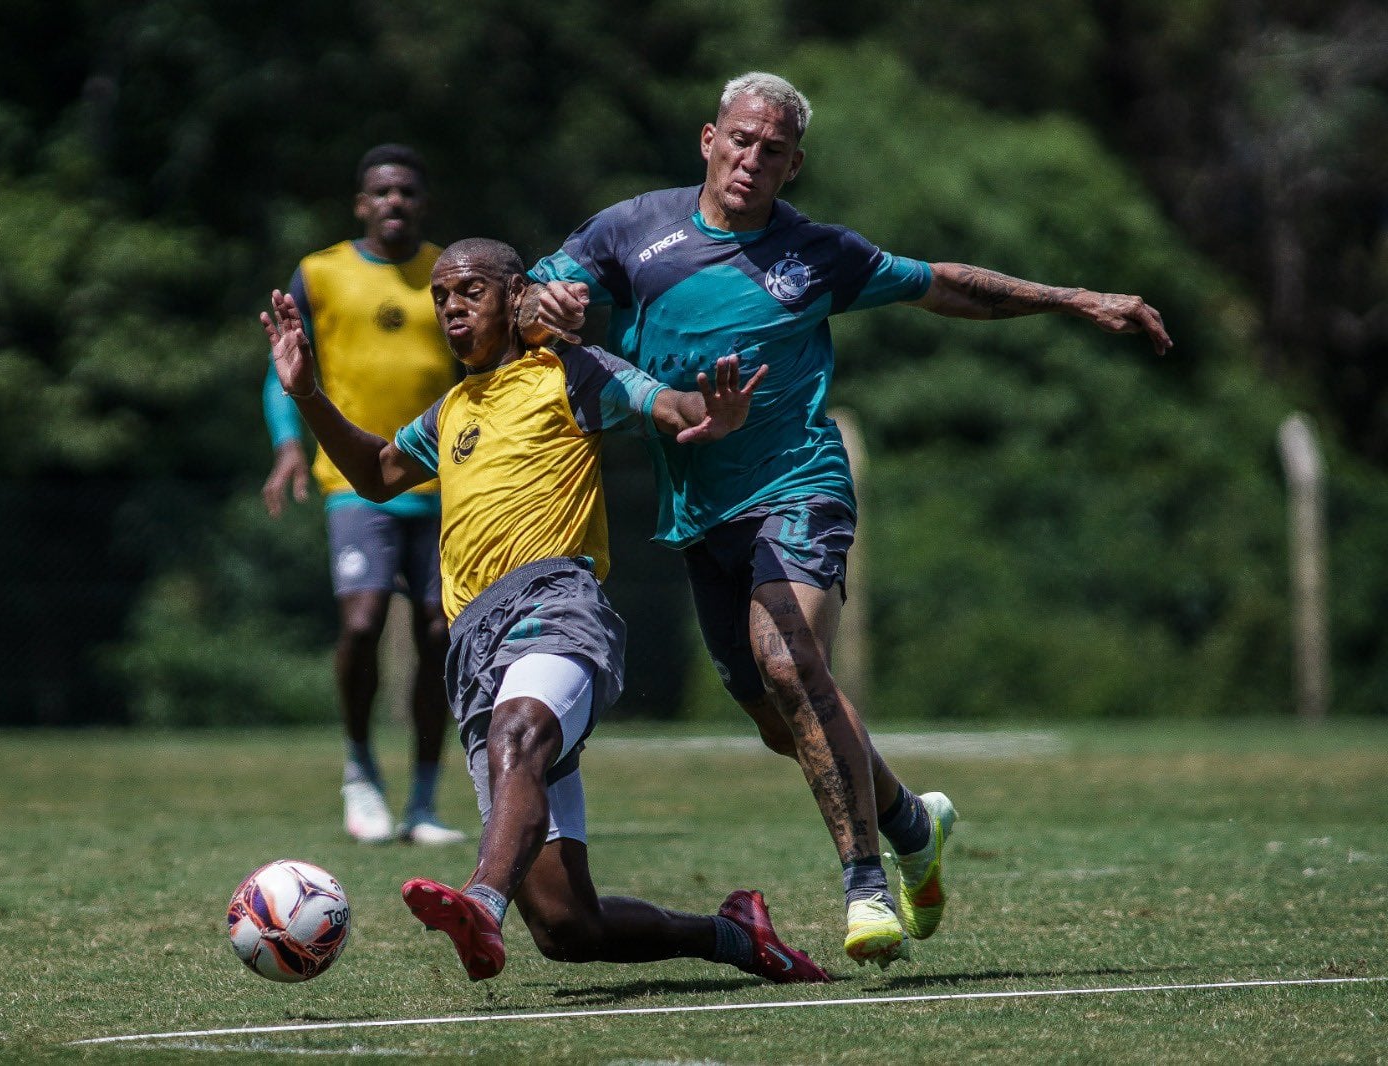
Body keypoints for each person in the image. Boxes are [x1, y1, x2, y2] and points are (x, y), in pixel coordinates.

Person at [523, 71, 1175, 967]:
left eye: (775, 151)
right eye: (741, 141)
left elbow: (942, 284)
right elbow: (525, 298)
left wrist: (1074, 299)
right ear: (708, 139)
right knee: (772, 717)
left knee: (791, 661)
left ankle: (867, 890)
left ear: (796, 166)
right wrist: (544, 304)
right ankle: (912, 820)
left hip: (800, 486)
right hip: (700, 513)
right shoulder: (630, 229)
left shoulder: (817, 254)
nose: (753, 160)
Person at [264, 237, 828, 985]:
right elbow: (373, 474)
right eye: (440, 298)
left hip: (555, 603)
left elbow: (663, 403)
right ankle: (733, 936)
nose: (452, 310)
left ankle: (481, 902)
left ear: (516, 294)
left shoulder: (571, 374)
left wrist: (708, 413)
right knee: (567, 927)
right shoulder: (451, 411)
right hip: (474, 647)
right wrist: (307, 395)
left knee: (518, 727)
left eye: (469, 291)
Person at [260, 144, 464, 845]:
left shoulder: (449, 274)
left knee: (442, 634)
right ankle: (359, 770)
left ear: (423, 202)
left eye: (406, 191)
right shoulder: (321, 274)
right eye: (381, 192)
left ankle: (426, 799)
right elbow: (282, 367)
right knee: (360, 624)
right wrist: (289, 444)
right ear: (360, 203)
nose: (394, 203)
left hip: (442, 485)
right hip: (353, 485)